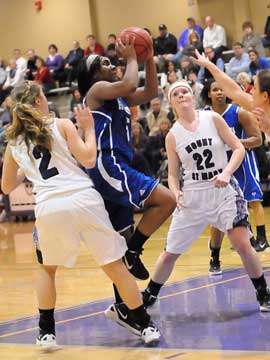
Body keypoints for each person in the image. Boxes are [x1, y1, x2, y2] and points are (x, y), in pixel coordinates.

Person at [1, 81, 160, 346]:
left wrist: (26, 167)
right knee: (115, 266)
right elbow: (88, 159)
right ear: (40, 101)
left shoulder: (14, 143)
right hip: (83, 199)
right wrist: (88, 129)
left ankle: (46, 332)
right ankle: (145, 326)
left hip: (50, 207)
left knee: (46, 269)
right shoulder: (61, 125)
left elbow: (6, 186)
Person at [142, 80, 270, 312]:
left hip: (223, 191)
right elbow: (172, 174)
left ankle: (263, 292)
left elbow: (239, 148)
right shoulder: (173, 135)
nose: (181, 96)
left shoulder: (212, 119)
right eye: (176, 94)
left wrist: (227, 172)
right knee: (170, 252)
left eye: (185, 92)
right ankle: (150, 294)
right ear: (170, 102)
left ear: (193, 97)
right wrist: (175, 191)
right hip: (193, 195)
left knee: (242, 244)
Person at [77, 37, 176, 330]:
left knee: (119, 242)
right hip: (108, 166)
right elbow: (130, 85)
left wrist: (148, 57)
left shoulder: (116, 97)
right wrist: (132, 57)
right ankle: (134, 252)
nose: (111, 64)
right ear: (93, 75)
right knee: (166, 200)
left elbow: (151, 90)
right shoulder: (96, 91)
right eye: (103, 63)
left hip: (118, 166)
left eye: (111, 60)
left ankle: (123, 306)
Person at [200, 79, 268, 275]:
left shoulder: (238, 112)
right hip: (218, 166)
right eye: (215, 89)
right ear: (209, 94)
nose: (220, 92)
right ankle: (215, 256)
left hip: (241, 163)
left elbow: (257, 139)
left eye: (222, 89)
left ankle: (260, 237)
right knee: (217, 215)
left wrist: (235, 142)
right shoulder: (203, 116)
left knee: (253, 199)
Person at [191, 49, 270, 137]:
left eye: (254, 88)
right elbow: (234, 90)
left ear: (265, 96)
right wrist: (208, 65)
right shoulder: (256, 105)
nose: (251, 91)